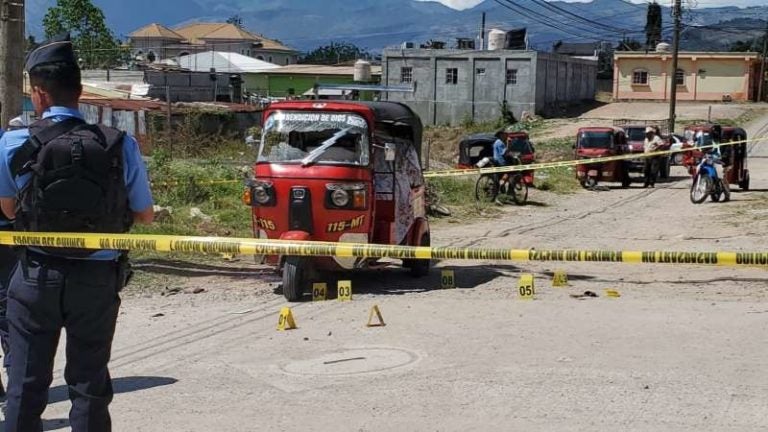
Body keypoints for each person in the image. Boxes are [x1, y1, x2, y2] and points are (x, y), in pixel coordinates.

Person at [0, 34, 154, 431]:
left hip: (36, 275)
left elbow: (8, 209)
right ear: (80, 91)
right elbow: (145, 215)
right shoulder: (120, 144)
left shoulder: (14, 142)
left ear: (37, 94)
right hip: (97, 278)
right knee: (89, 385)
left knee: (25, 385)